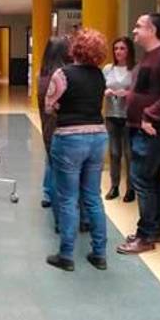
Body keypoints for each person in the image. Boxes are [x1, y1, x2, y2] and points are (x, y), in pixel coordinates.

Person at [116, 14, 160, 254]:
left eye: (138, 26)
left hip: (152, 129)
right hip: (138, 127)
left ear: (152, 29)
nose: (134, 30)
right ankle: (155, 230)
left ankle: (145, 236)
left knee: (141, 179)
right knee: (151, 179)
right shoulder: (150, 57)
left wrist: (149, 115)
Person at [45, 29, 109, 271]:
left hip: (70, 138)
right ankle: (99, 254)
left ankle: (66, 255)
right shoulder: (100, 75)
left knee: (68, 199)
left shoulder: (62, 74)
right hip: (98, 136)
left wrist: (61, 105)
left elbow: (49, 107)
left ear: (76, 48)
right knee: (93, 197)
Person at [37, 37, 72, 210]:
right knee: (57, 163)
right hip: (60, 125)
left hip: (47, 124)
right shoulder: (61, 76)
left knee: (50, 159)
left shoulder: (43, 74)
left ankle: (47, 192)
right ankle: (55, 197)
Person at [103, 37, 136, 203]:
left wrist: (128, 93)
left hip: (129, 115)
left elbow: (141, 91)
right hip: (111, 114)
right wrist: (107, 92)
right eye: (116, 48)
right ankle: (114, 185)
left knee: (129, 153)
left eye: (122, 48)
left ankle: (131, 188)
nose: (118, 52)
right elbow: (101, 87)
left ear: (129, 50)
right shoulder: (108, 68)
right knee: (114, 152)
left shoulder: (135, 69)